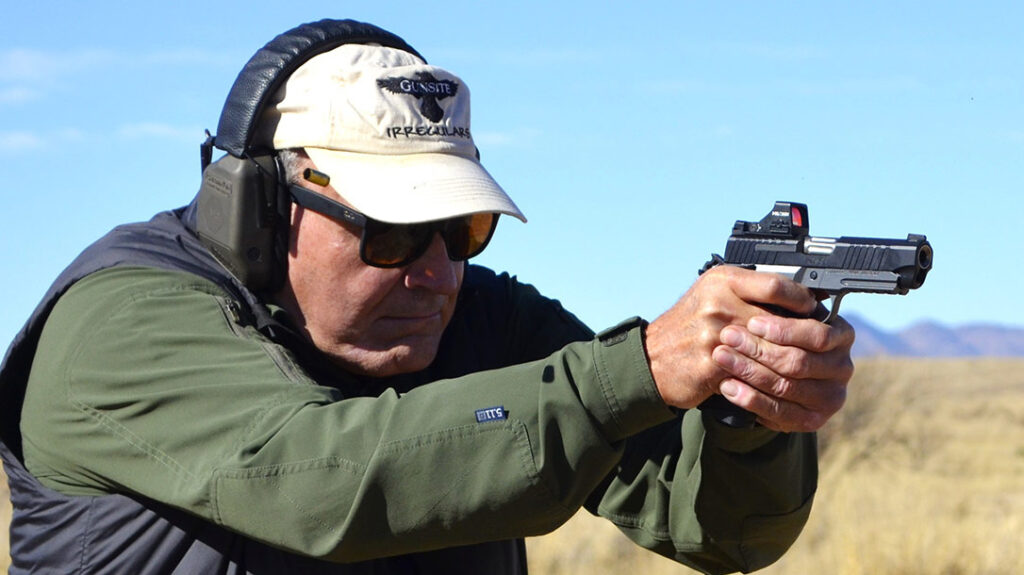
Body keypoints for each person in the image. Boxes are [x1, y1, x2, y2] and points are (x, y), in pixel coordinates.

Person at [0, 18, 853, 575]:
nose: (438, 272)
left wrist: (747, 405)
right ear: (263, 205)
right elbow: (319, 477)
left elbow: (721, 529)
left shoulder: (473, 317)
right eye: (393, 233)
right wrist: (636, 369)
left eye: (462, 232)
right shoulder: (121, 322)